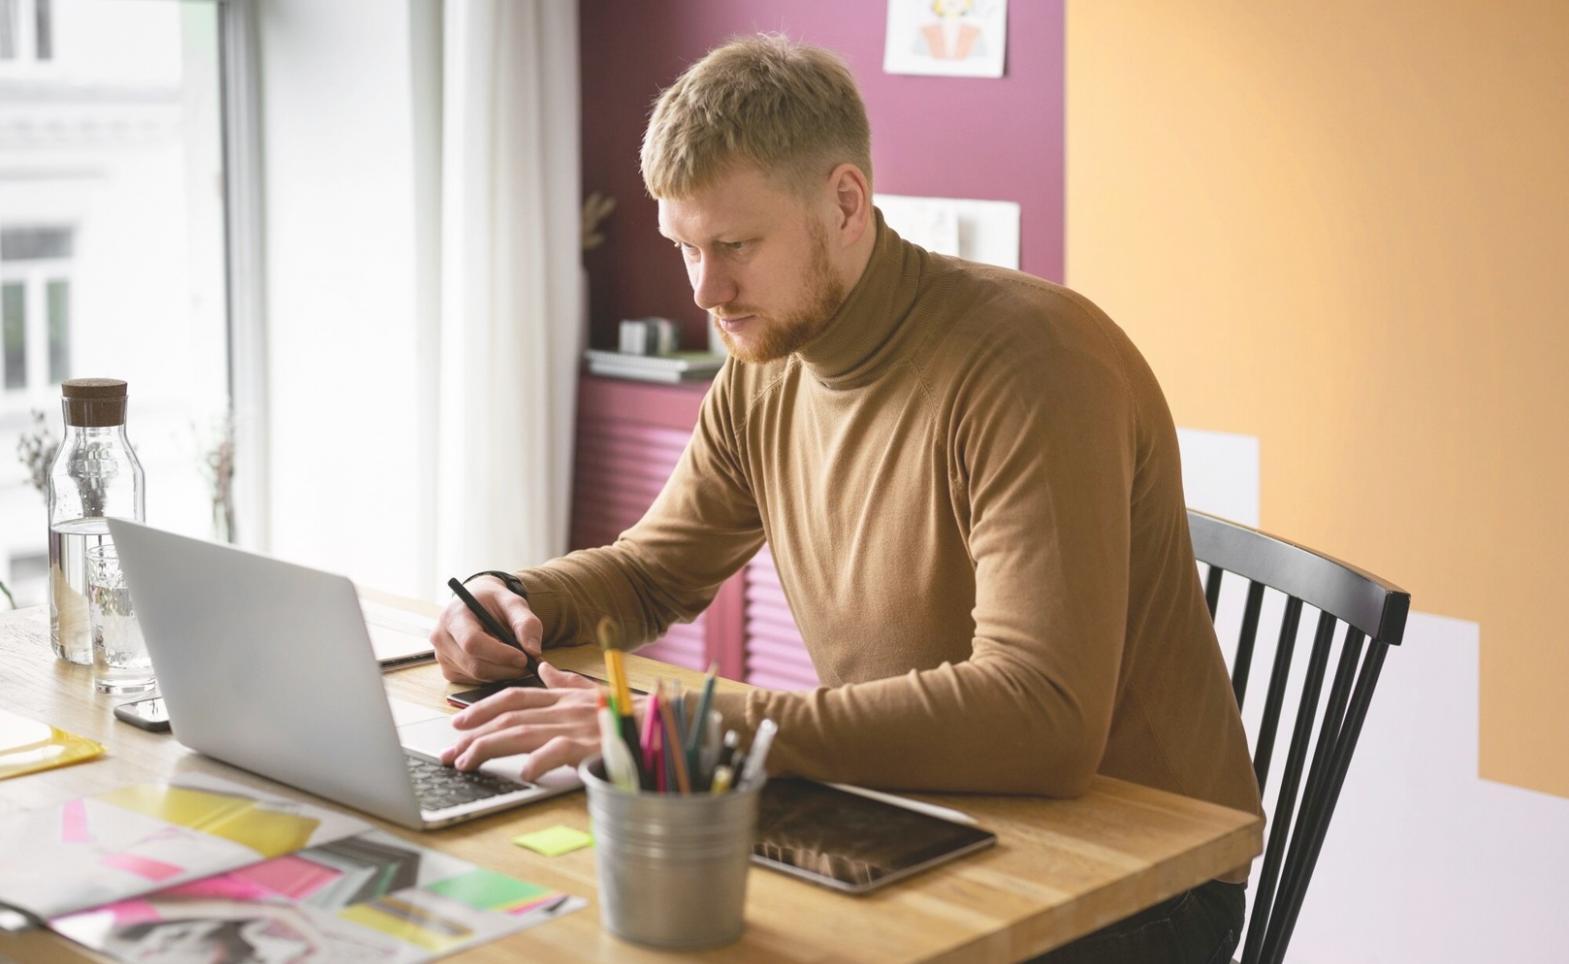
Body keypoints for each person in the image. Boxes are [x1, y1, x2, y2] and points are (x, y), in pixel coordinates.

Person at [429, 34, 1261, 962]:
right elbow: (652, 572)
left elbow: (1043, 716)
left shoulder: (1034, 365)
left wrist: (682, 729)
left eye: (735, 245)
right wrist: (522, 598)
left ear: (846, 203)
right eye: (684, 248)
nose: (707, 289)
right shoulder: (767, 362)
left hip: (1139, 882)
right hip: (922, 810)